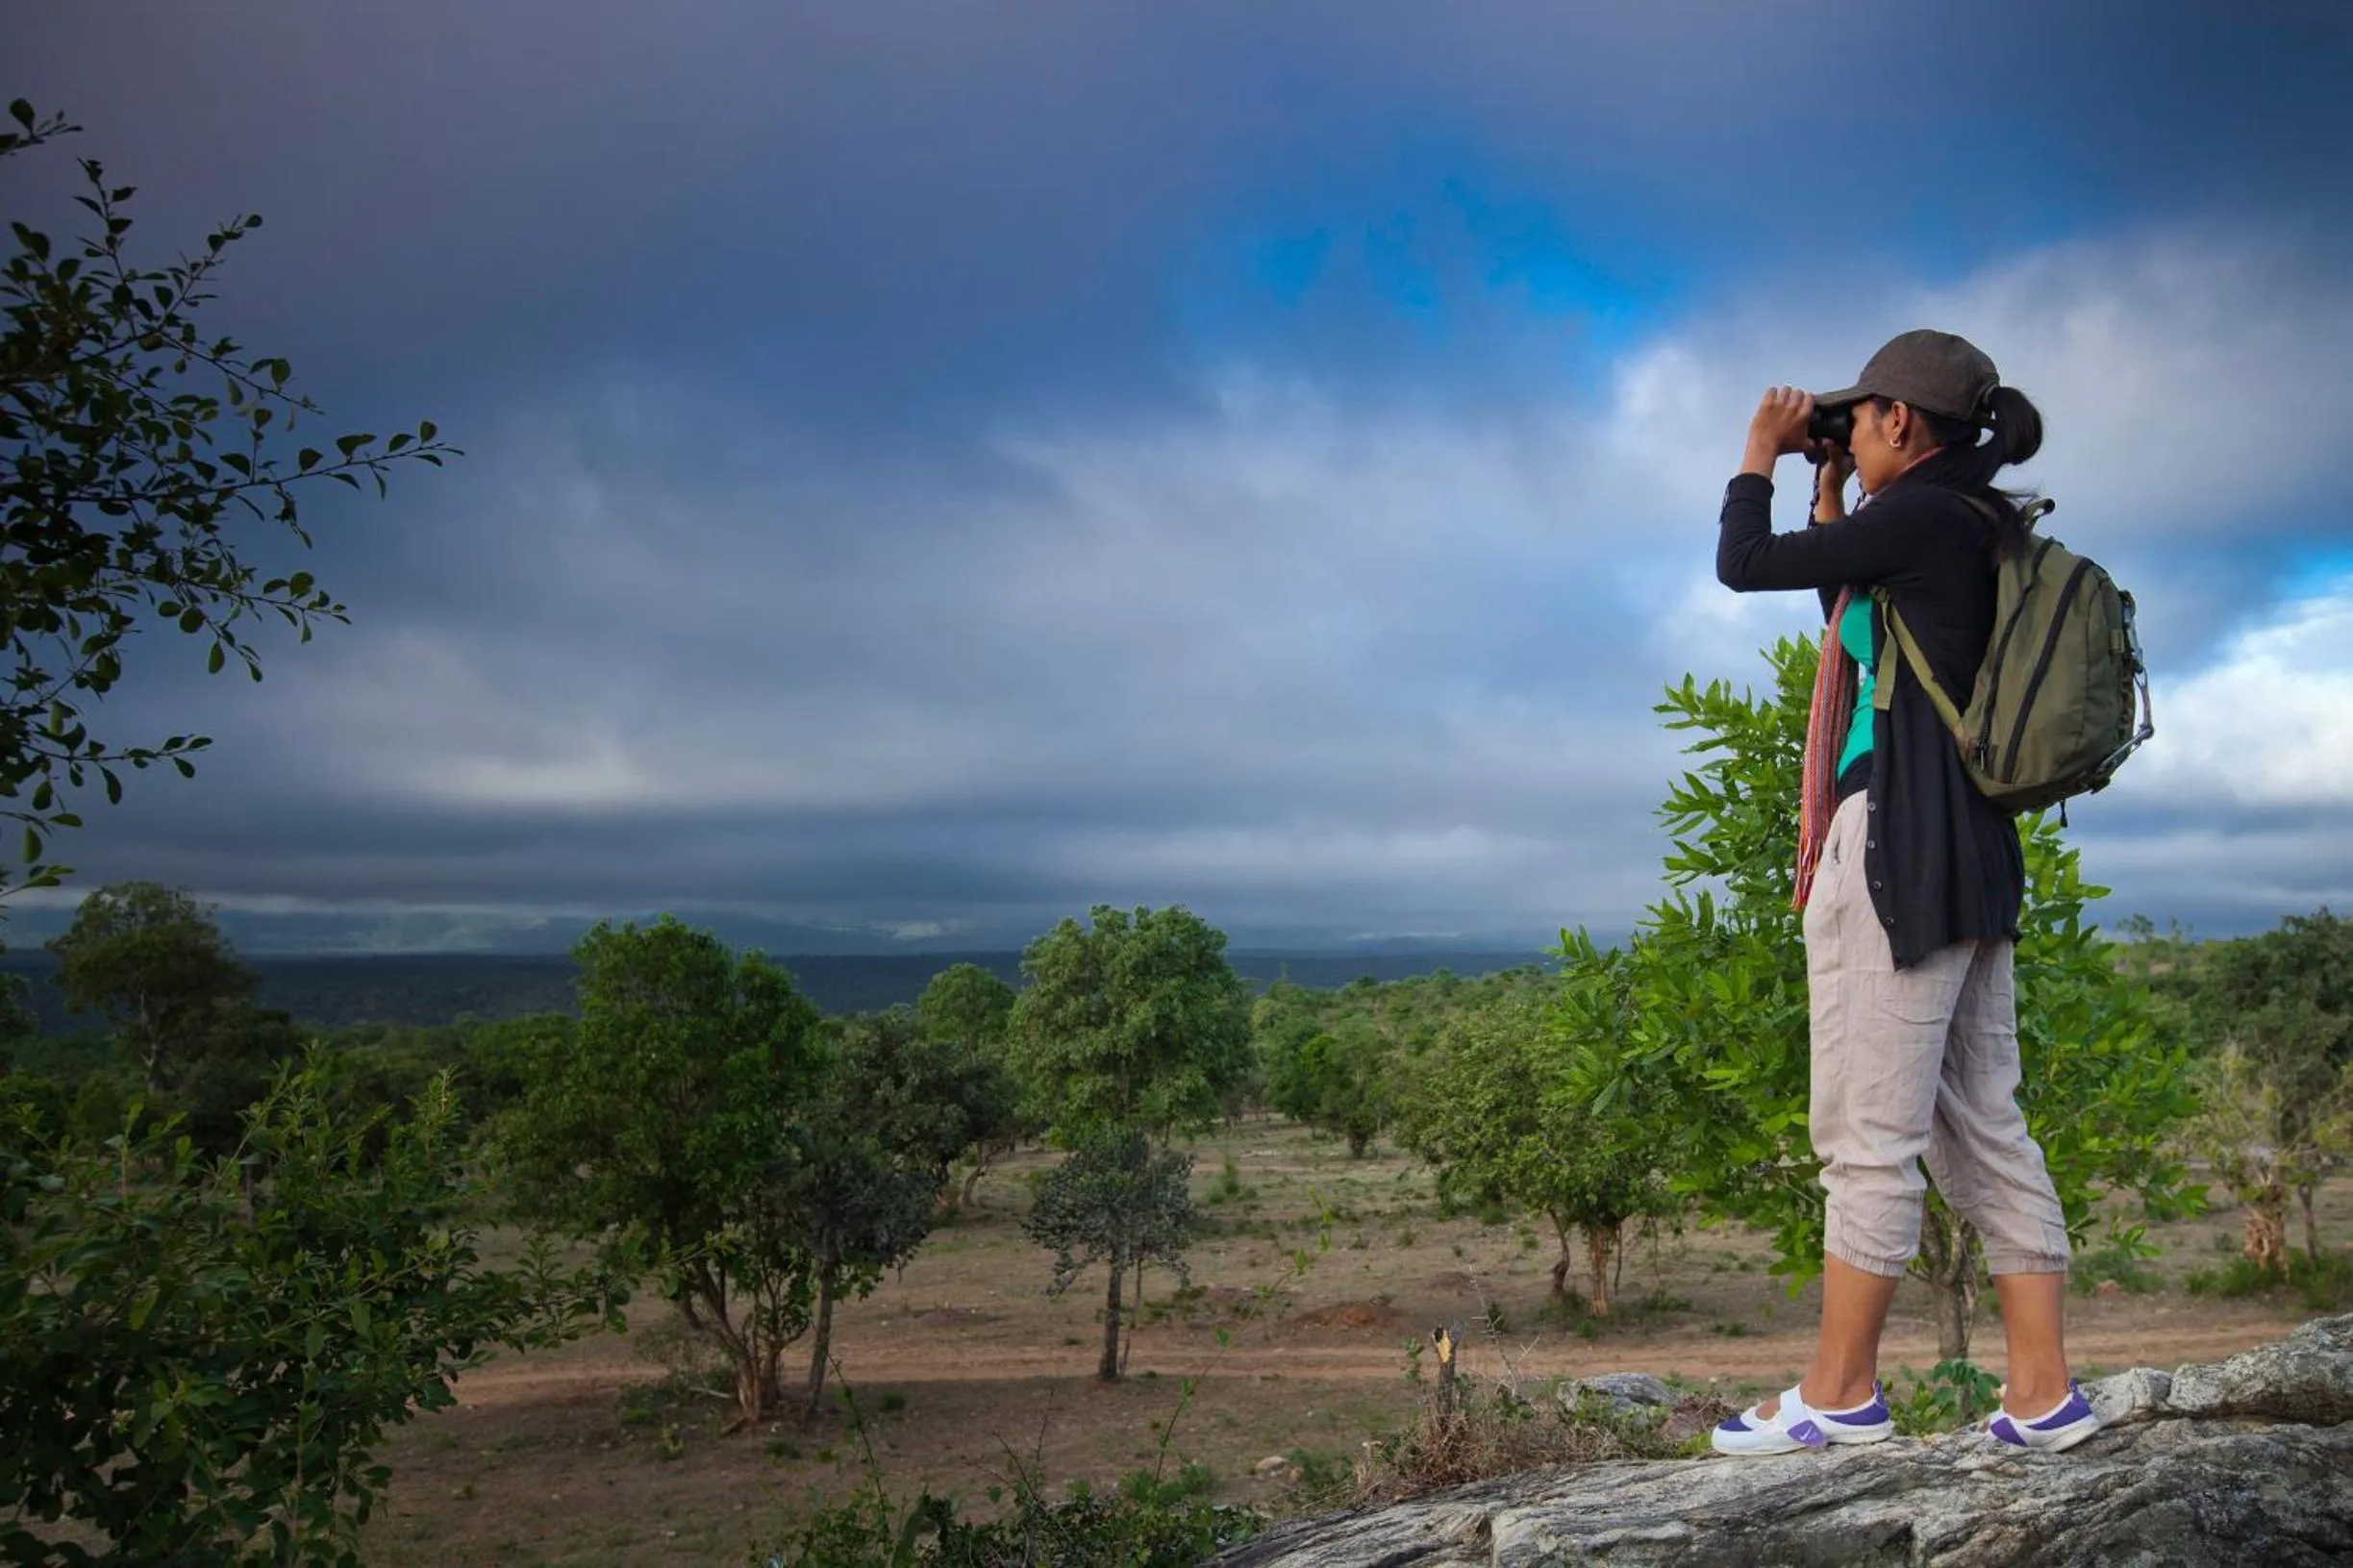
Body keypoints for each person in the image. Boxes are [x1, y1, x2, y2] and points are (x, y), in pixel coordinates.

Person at [1706, 329, 2099, 1456]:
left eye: (1856, 416)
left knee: (1865, 1135)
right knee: (1983, 1127)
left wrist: (1757, 453)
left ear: (1898, 421)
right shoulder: (1969, 523)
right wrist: (1829, 496)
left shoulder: (1923, 518)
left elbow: (1742, 561)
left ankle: (1837, 1393)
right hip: (1967, 860)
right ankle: (2042, 1393)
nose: (1843, 430)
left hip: (1897, 856)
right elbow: (1856, 605)